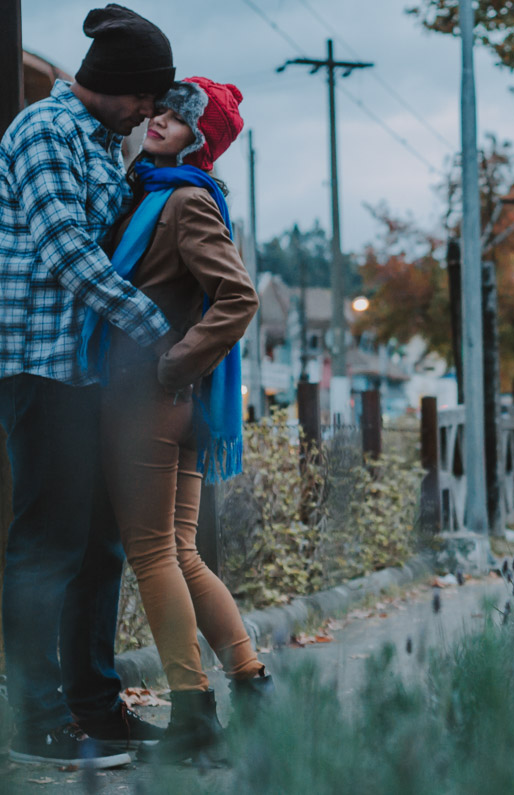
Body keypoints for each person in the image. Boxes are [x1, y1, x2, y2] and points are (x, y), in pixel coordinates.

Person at [0, 4, 177, 769]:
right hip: (41, 365)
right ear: (111, 82)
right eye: (144, 94)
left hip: (90, 375)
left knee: (99, 544)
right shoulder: (46, 131)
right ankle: (35, 723)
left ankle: (97, 711)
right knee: (47, 545)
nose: (149, 110)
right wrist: (156, 328)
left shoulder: (104, 141)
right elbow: (66, 248)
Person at [85, 75, 271, 764]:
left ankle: (193, 716)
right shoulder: (155, 191)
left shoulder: (184, 200)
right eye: (160, 109)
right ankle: (252, 683)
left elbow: (238, 297)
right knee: (181, 550)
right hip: (176, 404)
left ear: (202, 139)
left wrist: (173, 364)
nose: (160, 119)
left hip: (149, 398)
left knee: (153, 554)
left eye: (178, 116)